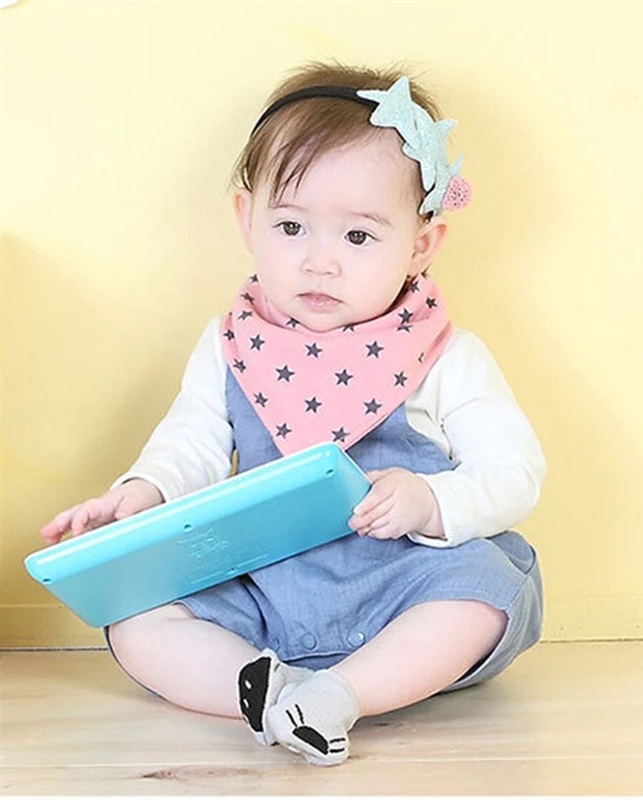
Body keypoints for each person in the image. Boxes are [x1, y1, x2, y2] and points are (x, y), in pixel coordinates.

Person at [39, 63, 547, 767]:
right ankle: (265, 688)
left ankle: (344, 693)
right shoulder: (230, 345)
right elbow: (191, 443)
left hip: (402, 582)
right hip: (263, 587)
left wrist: (432, 501)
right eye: (290, 226)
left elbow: (514, 471)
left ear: (421, 244)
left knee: (484, 595)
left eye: (358, 237)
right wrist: (142, 496)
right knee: (133, 617)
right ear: (247, 220)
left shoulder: (445, 353)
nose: (319, 262)